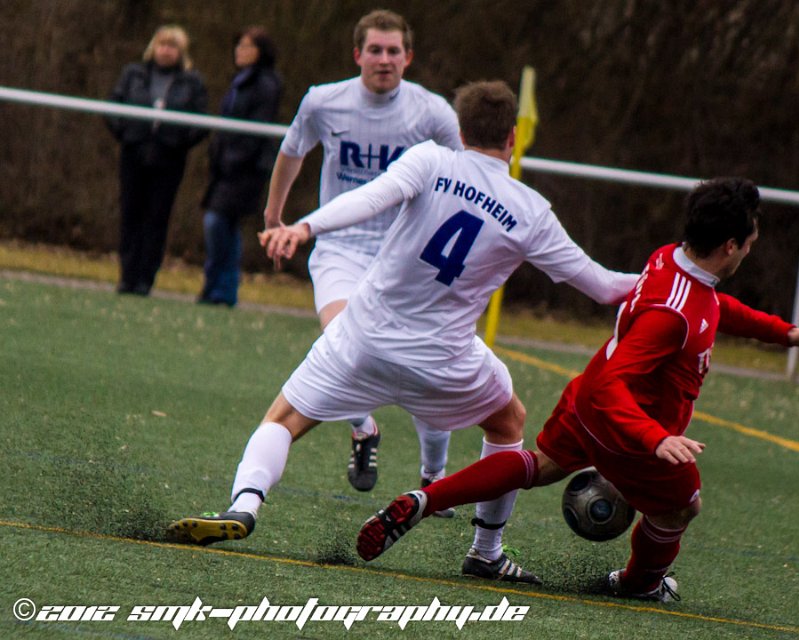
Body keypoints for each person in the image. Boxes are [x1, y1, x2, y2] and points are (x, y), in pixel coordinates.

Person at [168, 80, 639, 585]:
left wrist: (303, 228)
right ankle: (486, 551)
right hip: (445, 361)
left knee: (282, 419)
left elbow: (368, 199)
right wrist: (676, 276)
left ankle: (244, 505)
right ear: (514, 136)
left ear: (460, 129)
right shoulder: (530, 210)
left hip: (362, 341)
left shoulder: (431, 160)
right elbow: (604, 287)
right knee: (508, 423)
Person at [357, 178, 799, 600]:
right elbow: (628, 377)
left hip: (586, 398)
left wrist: (783, 332)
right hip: (624, 426)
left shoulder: (670, 258)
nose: (749, 249)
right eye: (749, 242)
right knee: (684, 506)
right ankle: (639, 583)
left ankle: (426, 500)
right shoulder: (673, 316)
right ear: (730, 246)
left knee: (540, 465)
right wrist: (655, 439)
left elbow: (716, 307)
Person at [262, 9, 464, 496]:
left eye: (394, 51)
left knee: (430, 364)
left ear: (408, 58)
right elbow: (292, 151)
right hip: (341, 246)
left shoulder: (432, 112)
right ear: (357, 54)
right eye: (375, 49)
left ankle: (434, 475)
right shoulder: (323, 102)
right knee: (341, 339)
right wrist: (274, 217)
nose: (384, 59)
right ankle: (363, 426)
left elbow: (469, 173)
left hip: (407, 252)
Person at [106, 25, 208, 296]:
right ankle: (127, 276)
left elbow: (201, 121)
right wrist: (128, 135)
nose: (166, 51)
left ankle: (145, 279)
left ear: (181, 52)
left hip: (169, 160)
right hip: (134, 154)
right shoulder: (134, 74)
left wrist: (177, 142)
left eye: (172, 46)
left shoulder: (192, 82)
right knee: (131, 214)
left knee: (157, 218)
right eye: (162, 45)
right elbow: (112, 107)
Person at [198, 26, 282, 307]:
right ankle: (216, 289)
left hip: (244, 169)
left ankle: (222, 289)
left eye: (248, 46)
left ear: (261, 52)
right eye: (239, 45)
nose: (240, 51)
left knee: (218, 221)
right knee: (222, 225)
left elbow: (254, 130)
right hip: (226, 166)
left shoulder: (266, 84)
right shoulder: (240, 81)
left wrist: (234, 159)